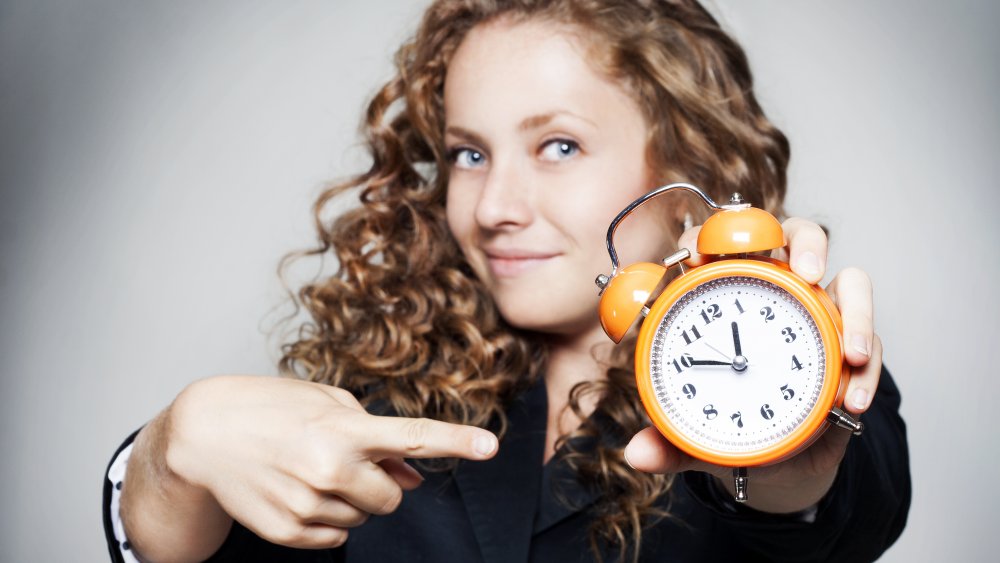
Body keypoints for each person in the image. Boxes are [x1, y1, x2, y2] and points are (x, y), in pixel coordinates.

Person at [103, 1, 910, 561]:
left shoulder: (798, 372)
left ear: (687, 168)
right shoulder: (373, 394)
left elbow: (837, 512)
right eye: (468, 153)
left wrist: (783, 459)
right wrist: (172, 452)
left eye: (559, 146)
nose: (493, 207)